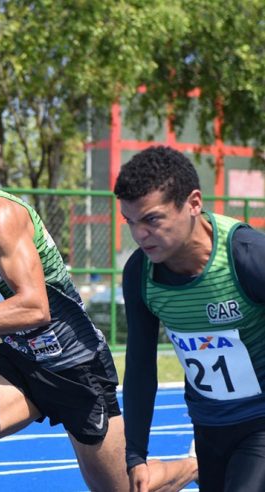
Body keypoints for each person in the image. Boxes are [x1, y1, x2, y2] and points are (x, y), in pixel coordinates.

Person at [0, 136, 197, 491]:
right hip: (23, 361)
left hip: (75, 365)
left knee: (130, 488)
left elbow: (34, 307)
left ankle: (197, 465)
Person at [115, 145, 265, 491]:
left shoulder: (248, 258)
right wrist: (136, 455)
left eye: (152, 219)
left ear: (193, 203)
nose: (139, 235)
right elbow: (140, 366)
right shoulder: (140, 274)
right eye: (130, 222)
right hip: (208, 424)